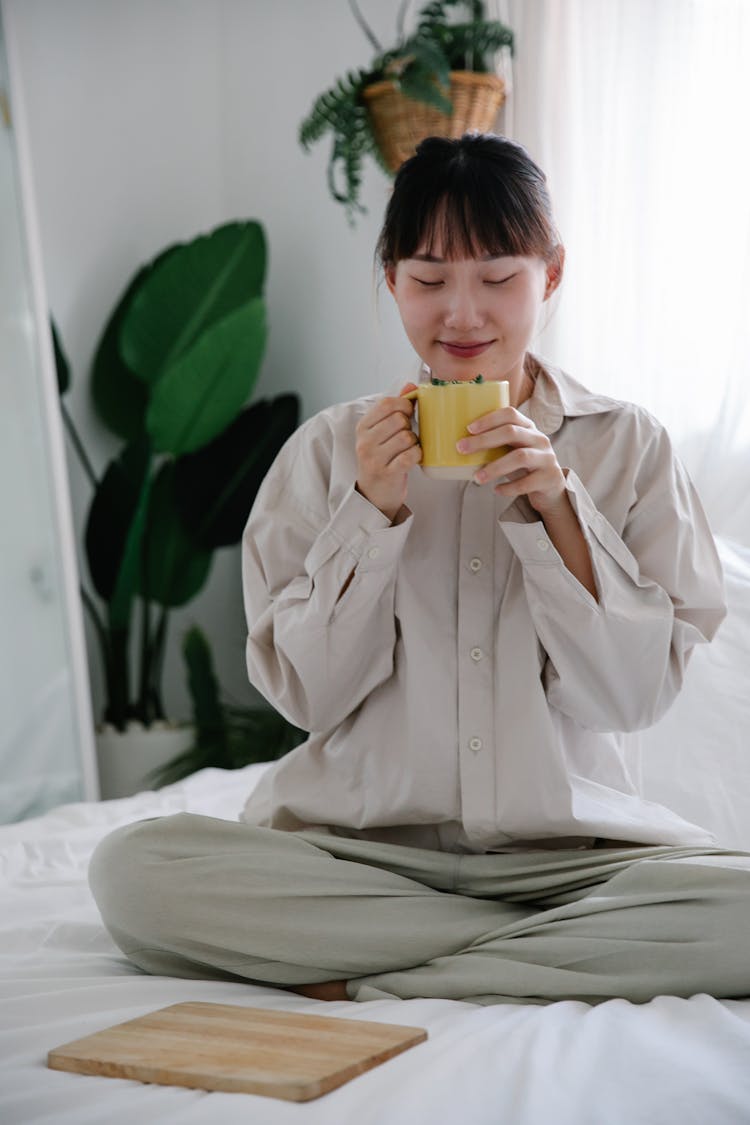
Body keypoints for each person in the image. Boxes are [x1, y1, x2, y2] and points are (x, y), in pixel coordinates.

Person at [89, 134, 750, 1007]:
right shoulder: (328, 454)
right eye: (430, 279)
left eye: (498, 278)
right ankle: (523, 967)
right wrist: (372, 509)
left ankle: (380, 967)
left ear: (550, 275)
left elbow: (630, 697)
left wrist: (557, 508)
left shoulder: (628, 447)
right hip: (354, 857)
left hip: (568, 870)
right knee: (134, 871)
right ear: (392, 280)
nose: (463, 315)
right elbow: (306, 697)